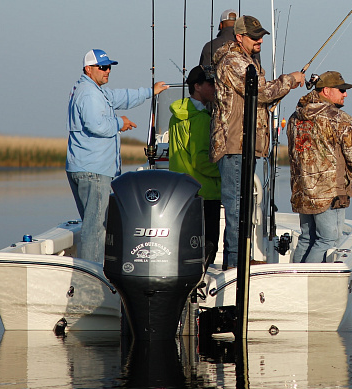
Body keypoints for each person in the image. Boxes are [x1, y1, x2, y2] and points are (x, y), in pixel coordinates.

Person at [210, 15, 304, 269]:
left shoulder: (248, 61)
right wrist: (289, 80)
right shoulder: (233, 61)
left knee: (244, 204)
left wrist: (284, 87)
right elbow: (261, 92)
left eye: (261, 35)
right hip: (234, 143)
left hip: (246, 143)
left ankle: (240, 258)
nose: (259, 40)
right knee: (236, 204)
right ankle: (234, 263)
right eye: (254, 36)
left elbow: (261, 98)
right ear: (239, 37)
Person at [67, 48, 168, 264]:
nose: (108, 71)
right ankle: (93, 278)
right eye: (102, 67)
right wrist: (121, 122)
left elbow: (121, 96)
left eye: (109, 67)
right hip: (94, 171)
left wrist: (151, 91)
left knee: (93, 223)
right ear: (88, 69)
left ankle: (94, 271)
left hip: (85, 167)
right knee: (96, 228)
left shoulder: (96, 91)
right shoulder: (89, 93)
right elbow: (97, 125)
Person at [286, 71, 352, 263]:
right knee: (327, 239)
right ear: (327, 91)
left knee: (307, 238)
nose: (345, 94)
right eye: (341, 90)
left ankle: (295, 279)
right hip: (329, 191)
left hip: (302, 189)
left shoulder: (294, 117)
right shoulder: (339, 118)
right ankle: (307, 283)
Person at [168, 65, 220, 269]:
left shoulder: (176, 116)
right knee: (208, 245)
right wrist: (224, 175)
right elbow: (201, 160)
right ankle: (200, 286)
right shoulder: (201, 120)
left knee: (187, 245)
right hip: (205, 193)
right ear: (197, 86)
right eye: (211, 83)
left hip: (182, 192)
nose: (215, 87)